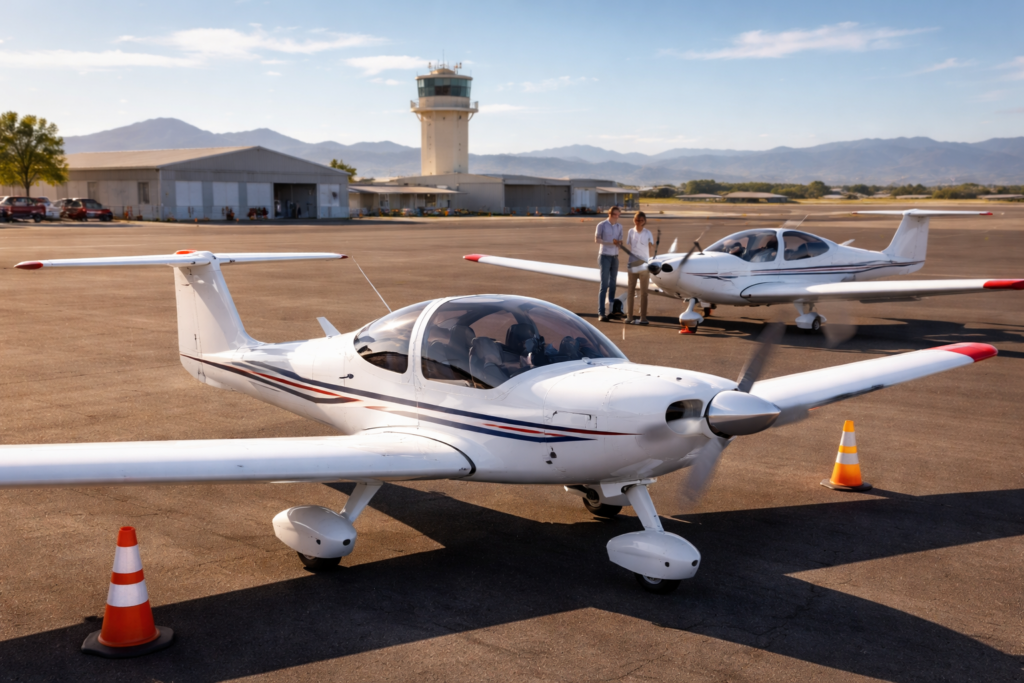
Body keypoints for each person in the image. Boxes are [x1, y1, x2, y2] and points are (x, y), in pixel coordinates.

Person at [624, 211, 654, 325]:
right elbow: (630, 246)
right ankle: (629, 316)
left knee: (644, 292)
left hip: (644, 266)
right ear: (634, 220)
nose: (638, 222)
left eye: (641, 220)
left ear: (644, 221)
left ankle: (643, 317)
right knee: (630, 291)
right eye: (637, 220)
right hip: (632, 265)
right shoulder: (630, 231)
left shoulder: (648, 233)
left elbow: (650, 248)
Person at [594, 206, 623, 322]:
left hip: (615, 257)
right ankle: (601, 312)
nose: (616, 217)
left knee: (613, 284)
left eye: (618, 215)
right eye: (614, 214)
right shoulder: (602, 225)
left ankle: (611, 310)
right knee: (604, 285)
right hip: (604, 256)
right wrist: (610, 243)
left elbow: (620, 243)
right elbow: (597, 239)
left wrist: (619, 244)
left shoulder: (619, 226)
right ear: (609, 214)